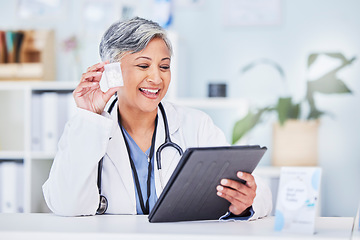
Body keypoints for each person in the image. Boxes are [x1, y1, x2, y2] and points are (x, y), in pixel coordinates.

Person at [42, 17, 272, 220]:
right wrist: (89, 117)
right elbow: (66, 204)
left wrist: (245, 203)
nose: (156, 78)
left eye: (164, 66)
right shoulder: (87, 128)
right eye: (143, 65)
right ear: (112, 71)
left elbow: (257, 191)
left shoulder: (195, 125)